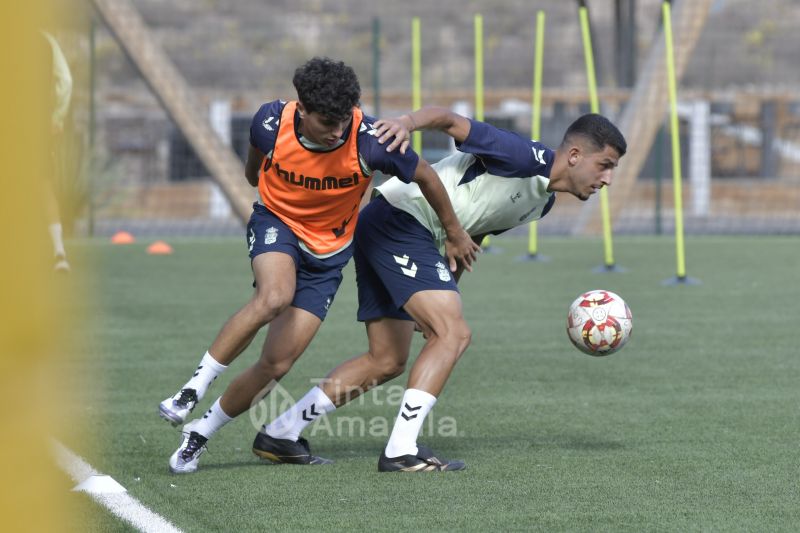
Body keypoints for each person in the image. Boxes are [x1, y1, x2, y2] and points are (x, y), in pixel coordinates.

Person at [256, 106, 627, 472]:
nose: (608, 179)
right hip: (400, 222)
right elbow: (449, 120)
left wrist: (446, 287)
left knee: (386, 360)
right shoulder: (522, 155)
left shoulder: (542, 203)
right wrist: (405, 122)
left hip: (392, 227)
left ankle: (282, 431)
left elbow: (472, 234)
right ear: (575, 155)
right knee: (454, 334)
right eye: (605, 165)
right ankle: (401, 450)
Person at [162, 59, 480, 473]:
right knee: (274, 295)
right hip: (277, 224)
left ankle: (200, 433)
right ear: (303, 110)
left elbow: (426, 177)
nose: (337, 130)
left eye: (344, 119)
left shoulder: (371, 141)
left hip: (328, 256)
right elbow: (252, 172)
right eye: (327, 121)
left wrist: (454, 232)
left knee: (276, 363)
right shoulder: (270, 121)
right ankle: (193, 387)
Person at [43, 31, 72, 273]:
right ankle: (59, 253)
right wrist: (57, 117)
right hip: (36, 125)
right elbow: (66, 81)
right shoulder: (46, 41)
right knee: (43, 185)